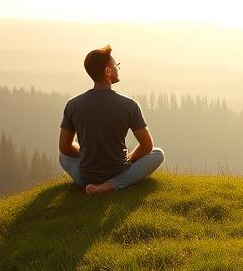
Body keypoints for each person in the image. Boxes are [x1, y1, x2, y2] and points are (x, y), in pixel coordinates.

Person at [58, 45, 165, 194]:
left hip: (86, 176)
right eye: (116, 66)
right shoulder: (129, 105)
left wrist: (89, 155)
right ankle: (112, 185)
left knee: (63, 157)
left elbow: (64, 148)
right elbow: (147, 146)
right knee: (158, 154)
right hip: (118, 171)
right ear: (108, 71)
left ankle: (90, 185)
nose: (118, 68)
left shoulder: (73, 105)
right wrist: (129, 159)